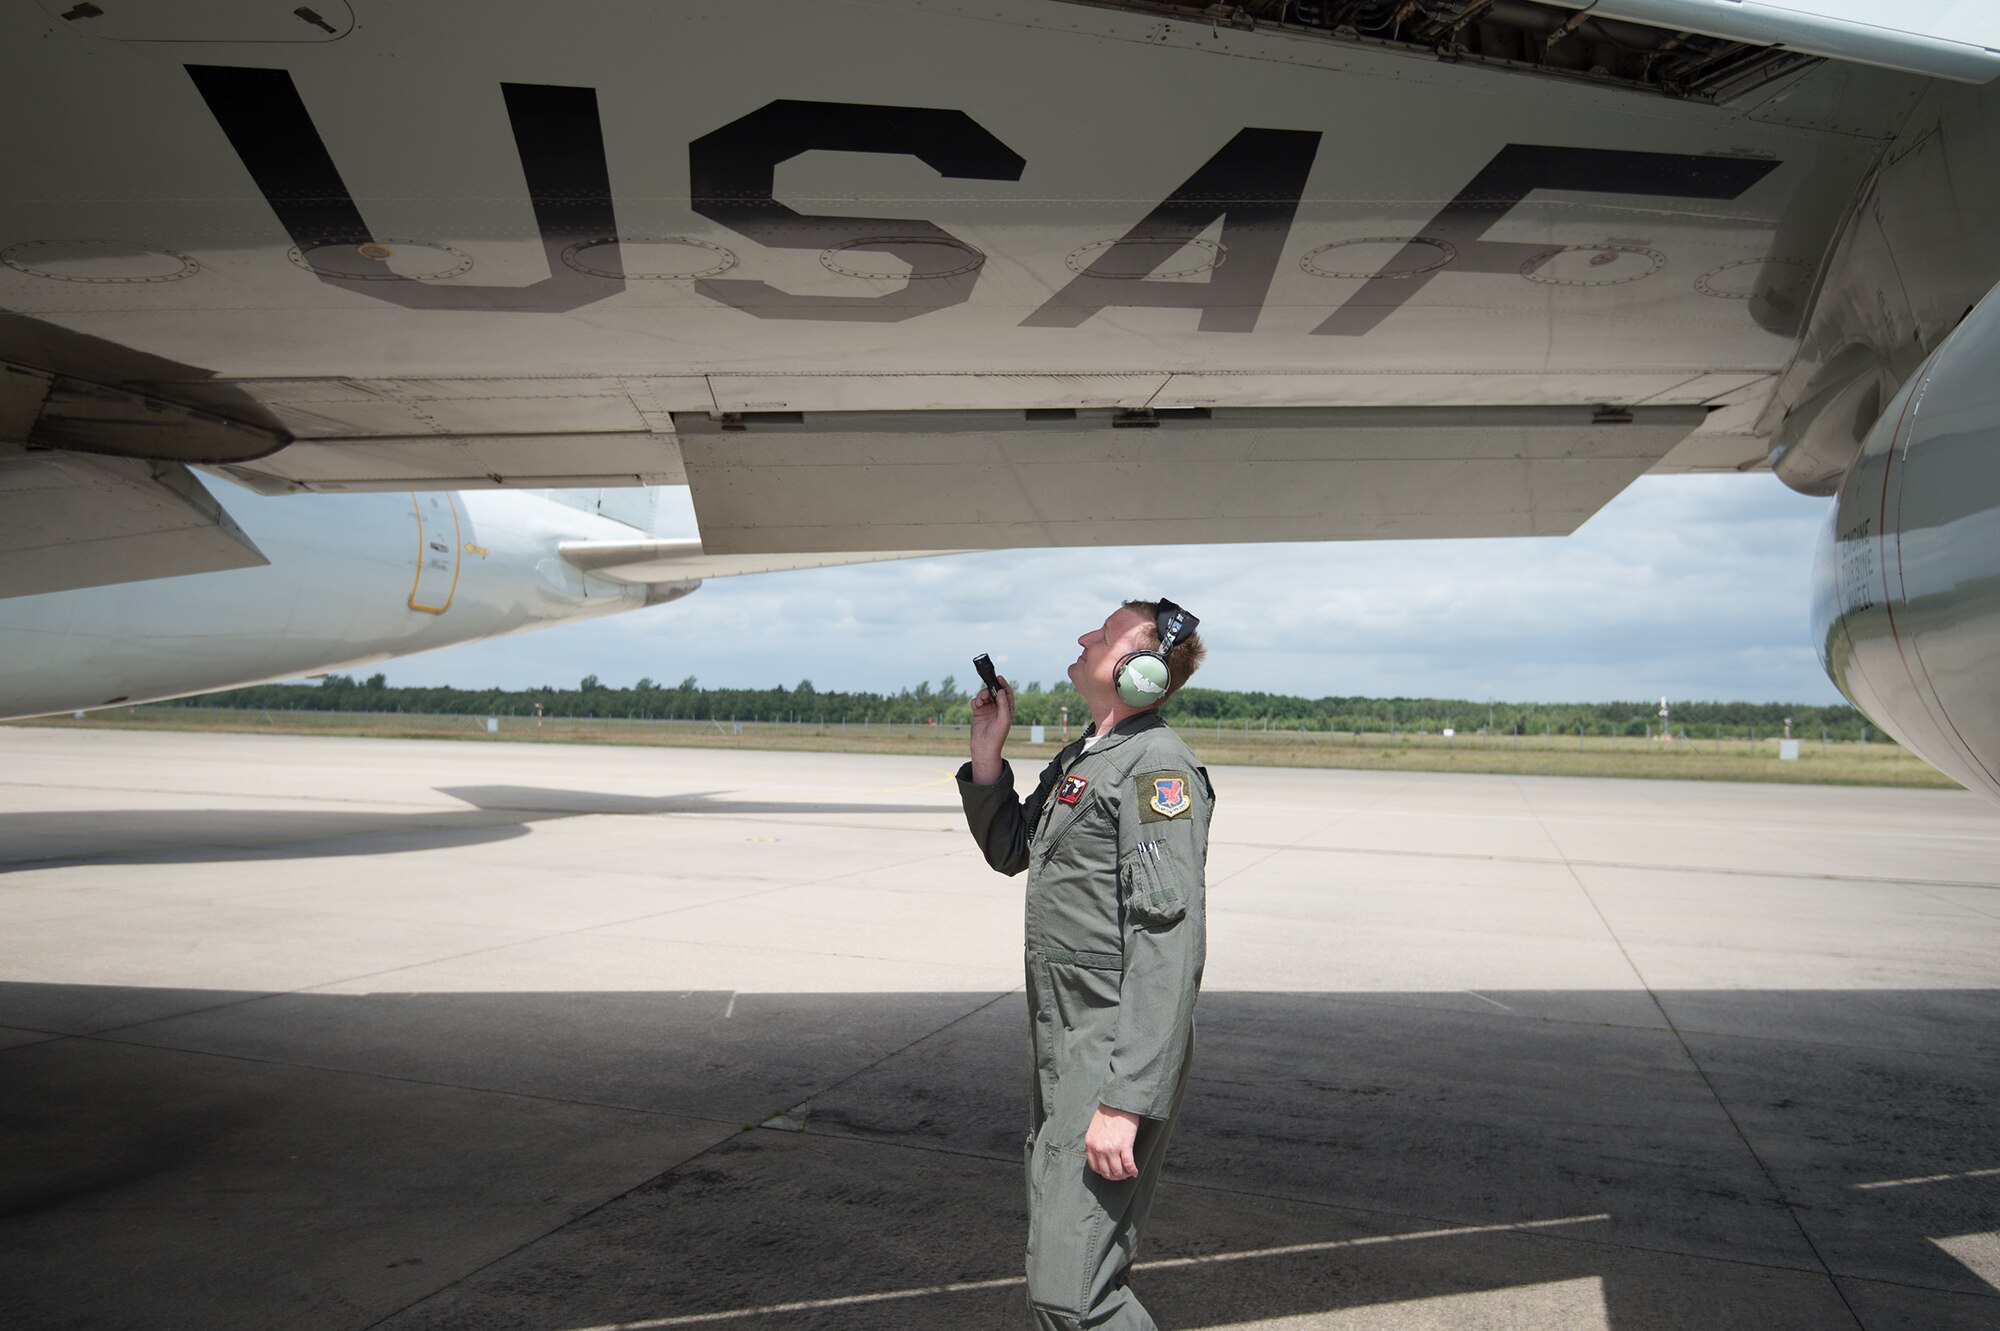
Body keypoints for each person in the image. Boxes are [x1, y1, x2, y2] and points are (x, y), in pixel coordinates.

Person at [958, 598, 1214, 1330]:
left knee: (1074, 1292)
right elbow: (1013, 847)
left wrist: (1125, 1099)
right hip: (1064, 1045)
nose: (1082, 636)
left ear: (1140, 671)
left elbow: (1167, 939)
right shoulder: (1087, 756)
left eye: (1104, 635)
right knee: (1058, 1270)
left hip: (1109, 1053)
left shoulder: (1156, 767)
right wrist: (987, 752)